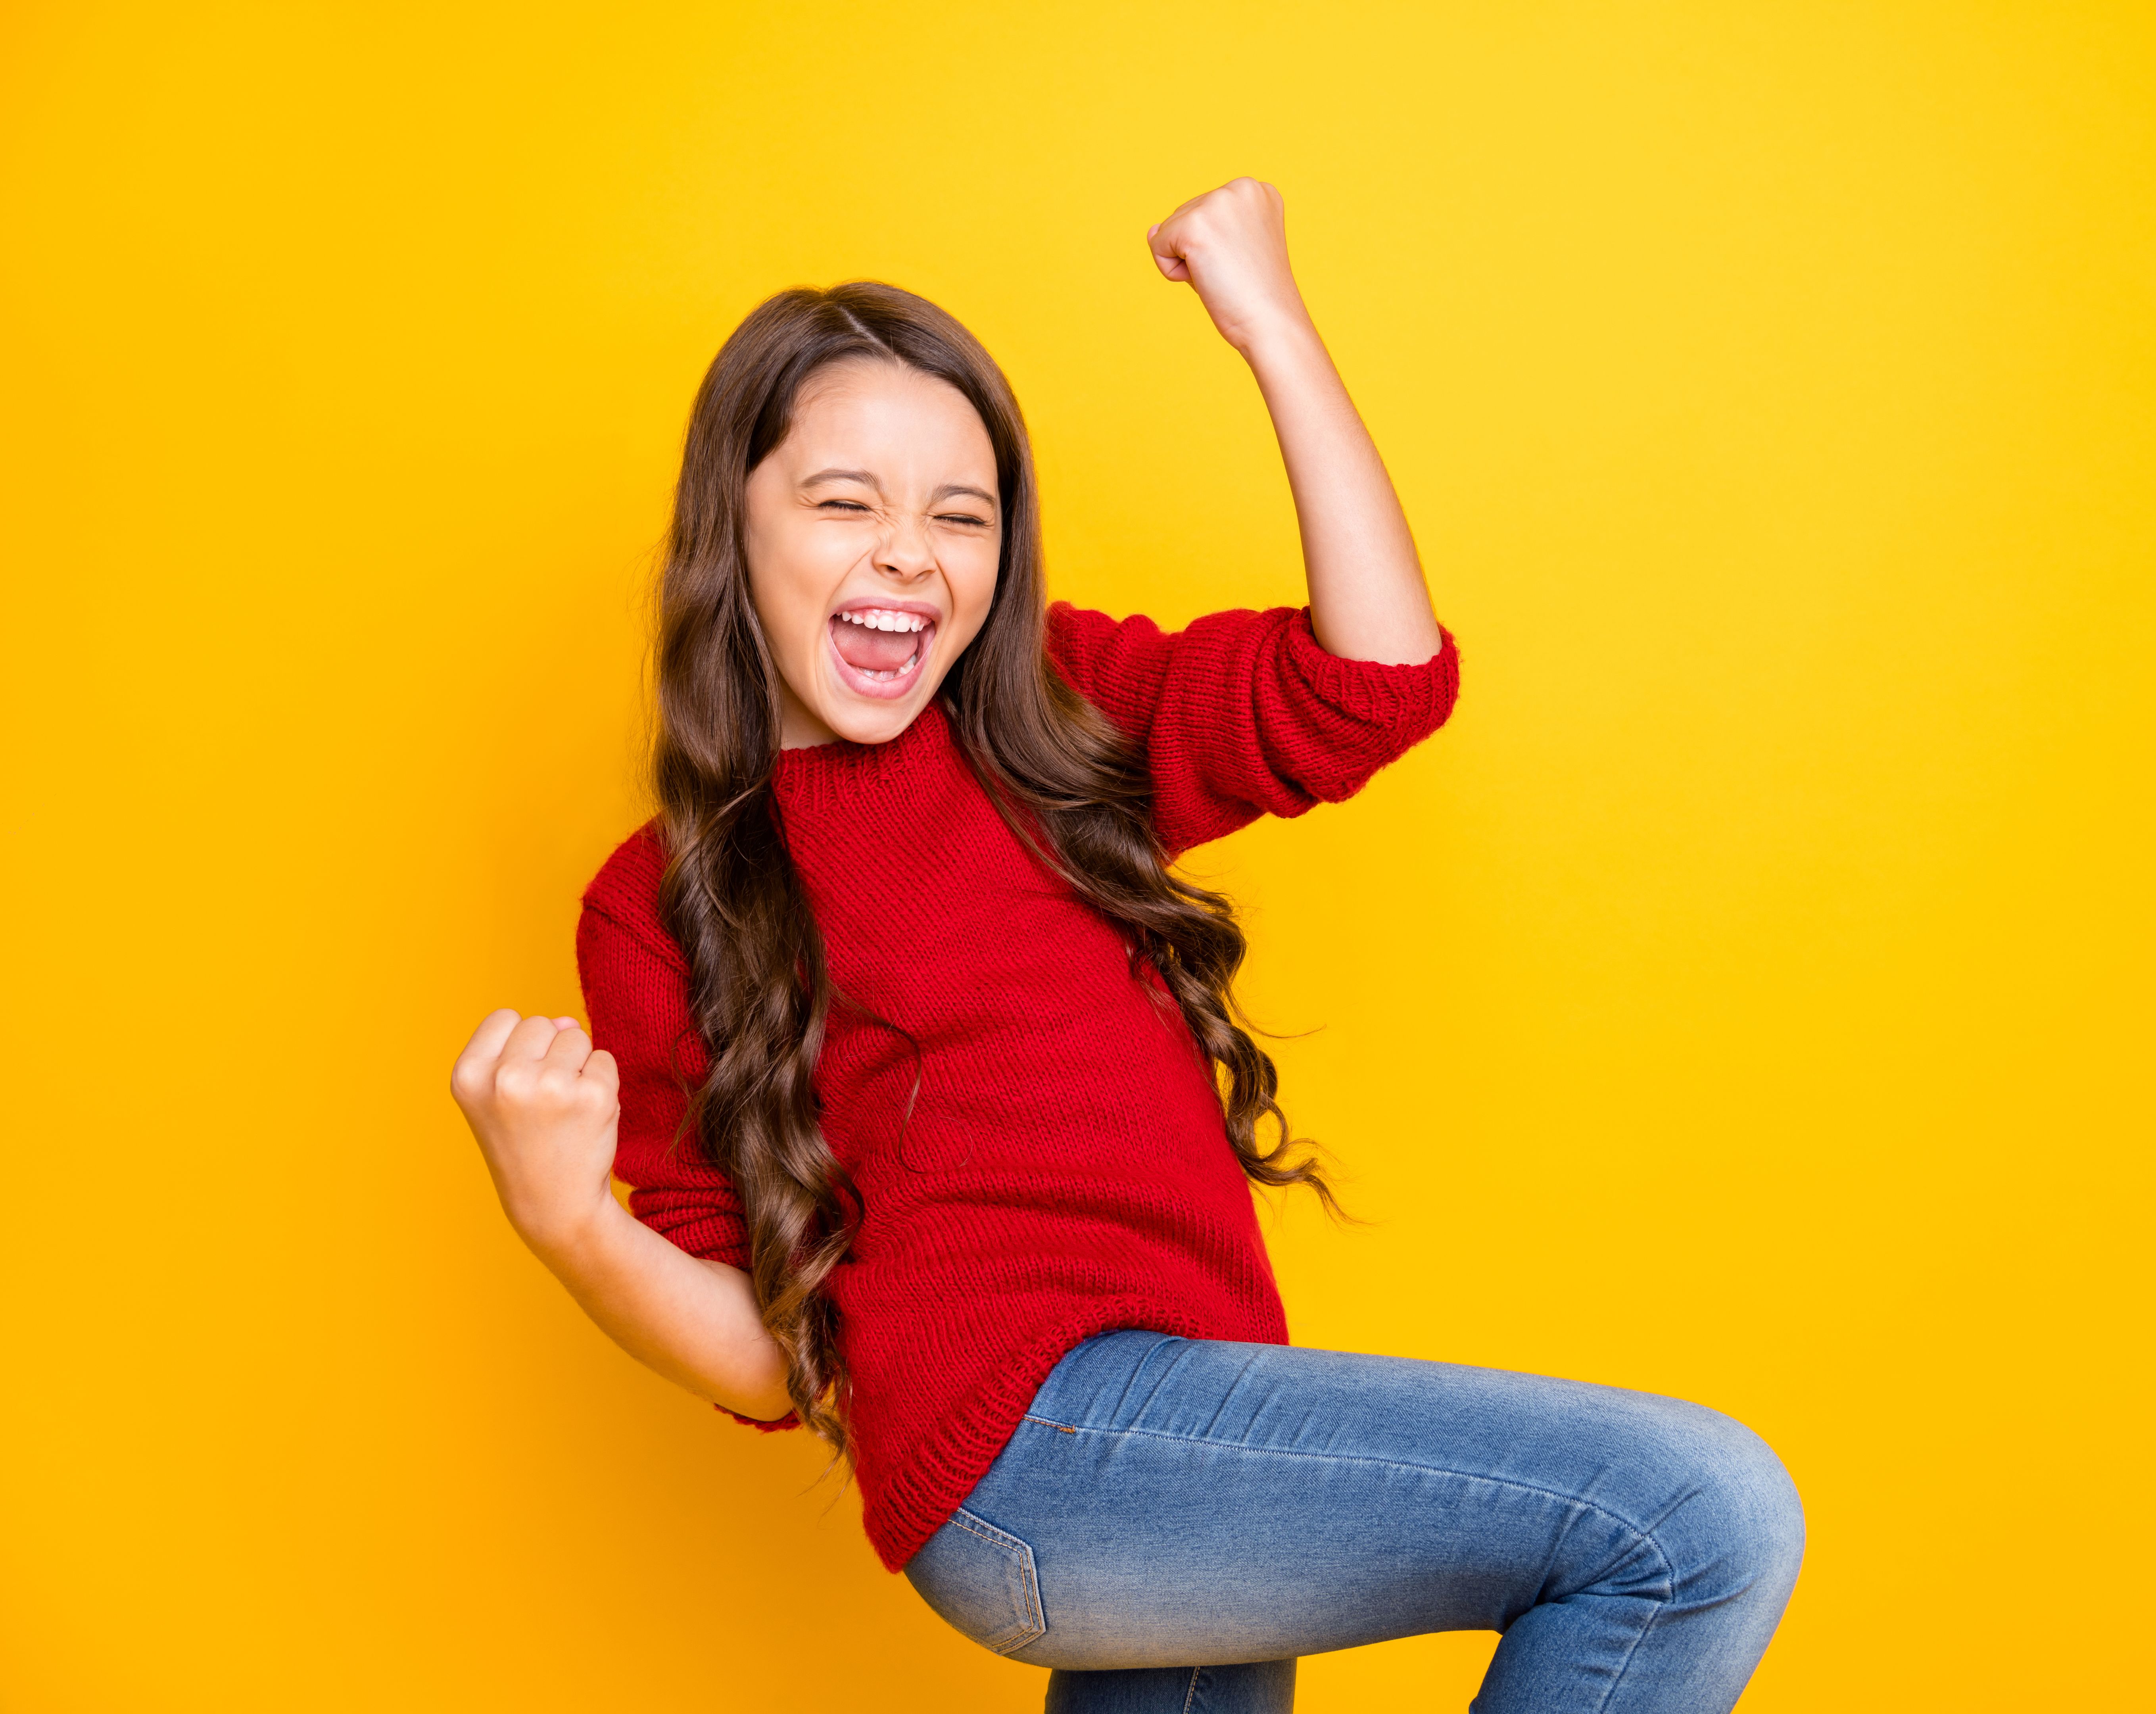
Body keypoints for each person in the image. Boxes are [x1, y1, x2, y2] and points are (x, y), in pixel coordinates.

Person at [449, 177, 1802, 1712]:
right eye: (844, 503)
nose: (908, 554)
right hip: (1044, 1455)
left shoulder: (1047, 715)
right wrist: (571, 1221)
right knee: (1693, 1519)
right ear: (733, 520)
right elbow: (773, 1358)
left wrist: (1271, 327)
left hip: (1192, 1426)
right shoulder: (663, 900)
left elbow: (1376, 682)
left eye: (960, 516)